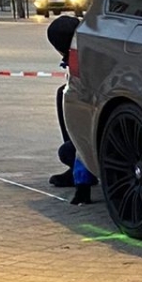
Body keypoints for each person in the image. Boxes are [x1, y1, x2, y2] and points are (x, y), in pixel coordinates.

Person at [45, 13, 95, 205]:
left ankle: (79, 172)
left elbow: (84, 129)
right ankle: (76, 167)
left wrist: (82, 188)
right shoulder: (89, 47)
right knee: (62, 93)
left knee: (67, 151)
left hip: (99, 130)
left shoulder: (83, 65)